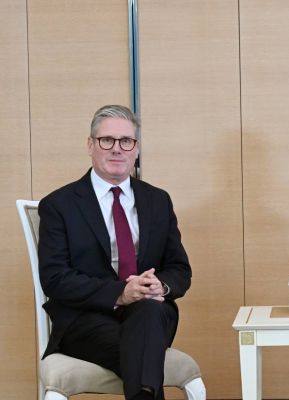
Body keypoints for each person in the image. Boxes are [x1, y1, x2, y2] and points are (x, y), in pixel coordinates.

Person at [38, 105, 192, 400]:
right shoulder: (59, 205)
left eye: (126, 141)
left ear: (136, 148)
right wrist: (121, 293)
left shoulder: (158, 201)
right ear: (90, 145)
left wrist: (160, 286)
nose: (117, 148)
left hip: (150, 314)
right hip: (85, 320)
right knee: (143, 350)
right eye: (107, 140)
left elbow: (179, 269)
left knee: (148, 311)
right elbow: (55, 279)